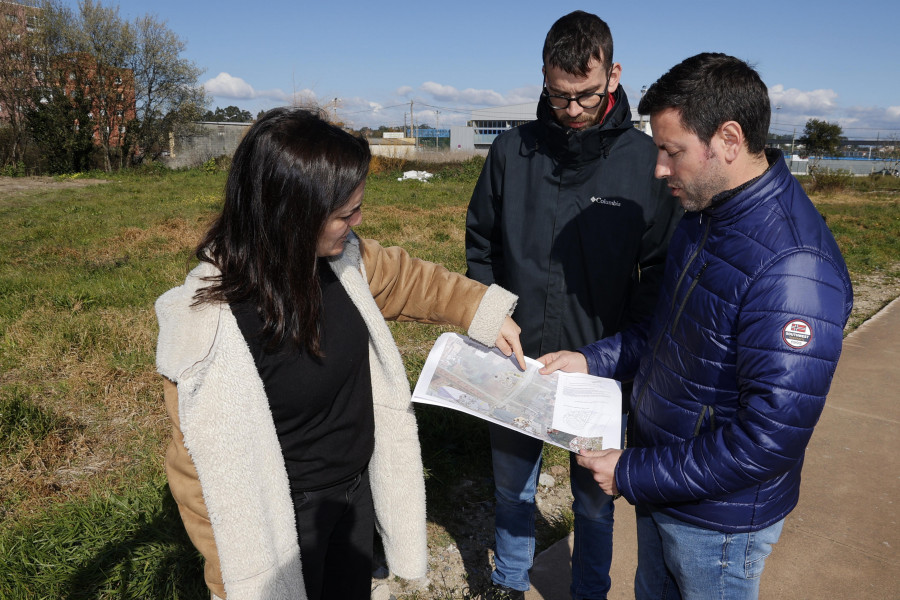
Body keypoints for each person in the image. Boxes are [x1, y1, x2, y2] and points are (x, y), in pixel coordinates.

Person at [155, 107, 525, 600]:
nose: (357, 223)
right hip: (285, 526)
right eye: (345, 213)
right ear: (293, 214)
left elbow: (413, 280)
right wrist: (233, 579)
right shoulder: (208, 329)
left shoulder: (344, 260)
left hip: (353, 497)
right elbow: (199, 478)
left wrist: (483, 309)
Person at [538, 53, 853, 600]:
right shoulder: (703, 218)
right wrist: (592, 360)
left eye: (672, 151)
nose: (659, 169)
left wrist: (634, 473)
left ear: (728, 139)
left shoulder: (795, 268)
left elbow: (767, 440)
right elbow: (665, 335)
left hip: (718, 522)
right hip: (664, 482)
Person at [465, 11, 681, 600]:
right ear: (543, 78)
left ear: (613, 75)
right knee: (512, 489)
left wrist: (617, 354)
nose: (573, 111)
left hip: (598, 369)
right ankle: (509, 583)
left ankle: (588, 591)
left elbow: (660, 269)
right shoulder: (513, 151)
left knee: (593, 501)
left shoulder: (645, 163)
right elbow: (481, 243)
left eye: (585, 96)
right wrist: (491, 318)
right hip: (516, 361)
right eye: (558, 97)